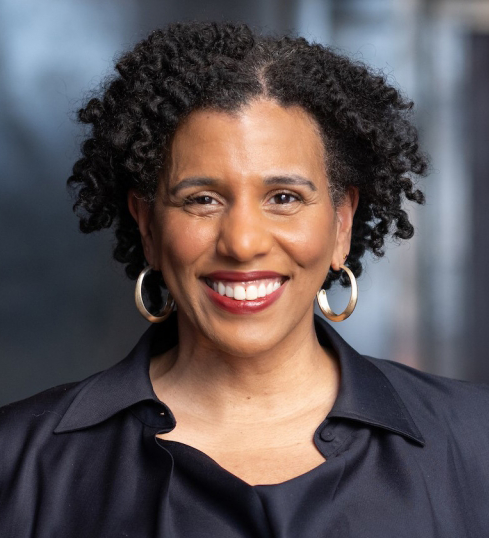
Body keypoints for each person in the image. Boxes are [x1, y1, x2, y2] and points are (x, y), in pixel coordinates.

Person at [1, 21, 488, 538]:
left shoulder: (475, 439)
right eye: (202, 199)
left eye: (284, 198)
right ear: (148, 225)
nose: (243, 243)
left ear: (342, 222)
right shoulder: (18, 460)